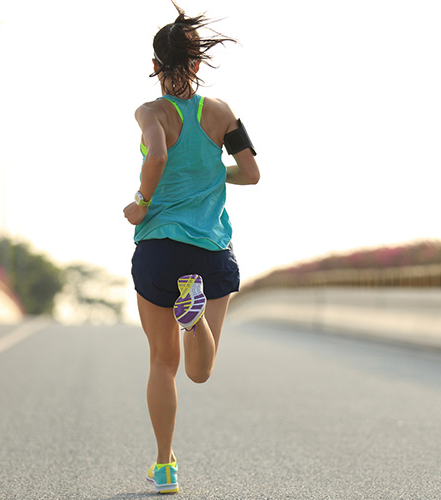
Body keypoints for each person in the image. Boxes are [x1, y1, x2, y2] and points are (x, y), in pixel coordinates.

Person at [123, 2, 259, 494]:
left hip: (160, 248)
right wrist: (210, 174)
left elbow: (157, 153)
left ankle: (164, 466)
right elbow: (251, 173)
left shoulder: (150, 111)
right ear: (199, 64)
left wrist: (141, 201)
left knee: (163, 363)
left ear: (155, 66)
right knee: (201, 371)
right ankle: (195, 317)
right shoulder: (221, 113)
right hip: (210, 253)